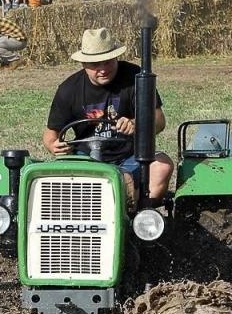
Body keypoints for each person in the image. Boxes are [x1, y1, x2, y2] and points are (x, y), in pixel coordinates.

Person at [44, 27, 172, 206]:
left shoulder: (136, 78)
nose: (103, 69)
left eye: (108, 62)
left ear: (116, 57)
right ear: (84, 64)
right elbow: (51, 133)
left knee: (162, 165)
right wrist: (53, 145)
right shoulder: (68, 89)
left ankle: (141, 218)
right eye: (96, 64)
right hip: (86, 159)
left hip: (131, 156)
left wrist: (136, 123)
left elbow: (159, 121)